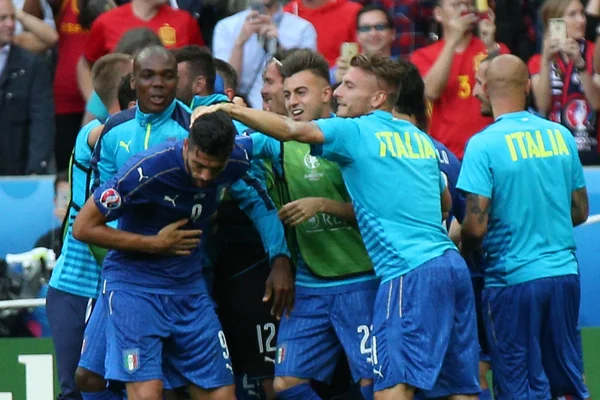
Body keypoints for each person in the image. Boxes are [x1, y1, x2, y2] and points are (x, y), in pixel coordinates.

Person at [191, 53, 480, 400]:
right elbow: (444, 202)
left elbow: (290, 129)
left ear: (377, 99)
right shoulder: (417, 137)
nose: (338, 92)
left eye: (349, 85)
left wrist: (232, 110)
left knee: (392, 388)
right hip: (450, 266)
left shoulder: (355, 130)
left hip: (407, 272)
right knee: (458, 388)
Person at [72, 111, 254, 399]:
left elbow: (273, 136)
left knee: (221, 394)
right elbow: (82, 227)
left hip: (188, 289)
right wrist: (154, 244)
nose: (205, 177)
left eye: (214, 169)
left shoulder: (238, 158)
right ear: (186, 146)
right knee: (139, 390)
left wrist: (233, 109)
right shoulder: (148, 170)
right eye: (199, 165)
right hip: (135, 287)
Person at [458, 54, 590, 399]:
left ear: (486, 89)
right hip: (564, 276)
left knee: (519, 384)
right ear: (528, 86)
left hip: (512, 280)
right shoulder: (560, 135)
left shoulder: (483, 144)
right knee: (568, 380)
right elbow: (579, 211)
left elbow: (475, 226)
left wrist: (464, 251)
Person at [249, 48, 378, 400]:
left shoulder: (355, 137)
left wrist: (323, 205)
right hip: (310, 285)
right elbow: (240, 146)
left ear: (326, 94)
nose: (292, 102)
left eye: (301, 93)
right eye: (287, 94)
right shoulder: (279, 143)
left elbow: (377, 213)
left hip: (361, 280)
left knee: (373, 385)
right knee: (285, 386)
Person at [46, 53, 132, 400]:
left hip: (120, 286)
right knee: (75, 392)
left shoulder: (139, 138)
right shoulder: (92, 134)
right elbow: (109, 130)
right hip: (76, 287)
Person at [410, 0, 508, 159]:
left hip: (492, 151)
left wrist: (490, 46)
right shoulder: (422, 55)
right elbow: (431, 91)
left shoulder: (496, 49)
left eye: (469, 5)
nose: (464, 10)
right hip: (447, 154)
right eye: (456, 5)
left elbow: (507, 91)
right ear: (438, 14)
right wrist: (452, 42)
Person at [528, 0, 600, 165]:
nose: (581, 20)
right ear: (554, 21)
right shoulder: (538, 60)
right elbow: (543, 105)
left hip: (591, 146)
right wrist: (546, 61)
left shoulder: (594, 53)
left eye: (582, 13)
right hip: (556, 149)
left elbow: (596, 102)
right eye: (572, 15)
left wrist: (580, 64)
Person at [212, 0, 317, 109]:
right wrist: (239, 44)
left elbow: (306, 82)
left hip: (286, 112)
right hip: (241, 111)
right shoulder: (225, 27)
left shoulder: (303, 28)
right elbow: (224, 85)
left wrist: (279, 47)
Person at [0, 0, 55, 176]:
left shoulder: (31, 65)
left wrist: (35, 170)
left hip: (18, 172)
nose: (10, 24)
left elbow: (41, 121)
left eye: (12, 17)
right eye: (2, 19)